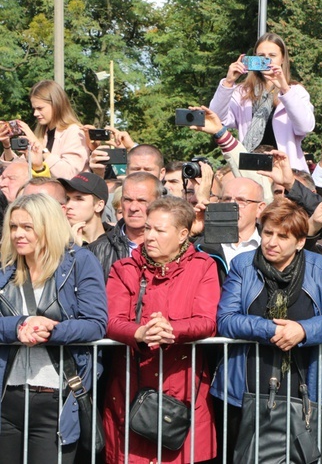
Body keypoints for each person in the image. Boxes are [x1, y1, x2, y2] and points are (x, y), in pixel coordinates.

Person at [210, 198, 322, 458]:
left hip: (304, 384)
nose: (271, 242)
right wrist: (270, 330)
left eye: (282, 236)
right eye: (267, 233)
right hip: (247, 384)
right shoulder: (243, 265)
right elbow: (226, 319)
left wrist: (304, 330)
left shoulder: (319, 267)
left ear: (300, 242)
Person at [103, 196, 220, 463]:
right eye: (147, 228)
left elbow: (208, 320)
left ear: (182, 235)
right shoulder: (124, 268)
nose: (149, 236)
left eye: (159, 230)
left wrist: (173, 330)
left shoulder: (204, 267)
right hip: (130, 389)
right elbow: (110, 320)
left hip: (183, 390)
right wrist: (138, 334)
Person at [0, 193, 108, 463]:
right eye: (13, 227)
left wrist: (51, 331)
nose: (18, 234)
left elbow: (96, 324)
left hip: (55, 399)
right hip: (7, 396)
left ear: (48, 227)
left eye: (27, 227)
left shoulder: (79, 262)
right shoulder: (5, 267)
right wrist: (18, 327)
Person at [209, 32, 315, 171]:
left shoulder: (295, 91)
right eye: (261, 56)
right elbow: (216, 118)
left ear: (282, 59)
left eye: (272, 56)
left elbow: (305, 127)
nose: (267, 60)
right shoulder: (242, 92)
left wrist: (284, 89)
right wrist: (228, 82)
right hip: (250, 167)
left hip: (285, 169)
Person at [1, 81, 90, 179]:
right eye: (34, 109)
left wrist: (39, 146)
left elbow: (68, 173)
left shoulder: (74, 131)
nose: (35, 113)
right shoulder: (41, 133)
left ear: (56, 105)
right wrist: (6, 145)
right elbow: (15, 173)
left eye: (40, 108)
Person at [86, 172, 162, 280]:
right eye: (128, 200)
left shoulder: (175, 249)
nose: (133, 207)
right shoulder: (96, 252)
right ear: (121, 202)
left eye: (142, 201)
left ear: (158, 203)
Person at [194, 177, 267, 284]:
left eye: (241, 201)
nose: (232, 206)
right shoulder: (201, 246)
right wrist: (192, 232)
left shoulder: (271, 245)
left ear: (259, 209)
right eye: (227, 199)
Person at [59, 173, 109, 246]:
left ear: (99, 206)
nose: (68, 205)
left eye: (79, 199)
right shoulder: (56, 242)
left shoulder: (119, 242)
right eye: (67, 199)